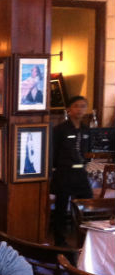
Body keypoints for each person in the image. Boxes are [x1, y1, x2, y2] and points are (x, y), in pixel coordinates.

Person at [51, 96, 93, 247]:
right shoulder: (60, 129)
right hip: (64, 173)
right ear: (69, 109)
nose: (80, 109)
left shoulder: (86, 129)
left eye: (83, 106)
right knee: (61, 207)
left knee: (87, 203)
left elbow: (88, 150)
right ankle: (59, 241)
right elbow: (53, 151)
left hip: (80, 173)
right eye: (76, 106)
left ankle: (86, 239)